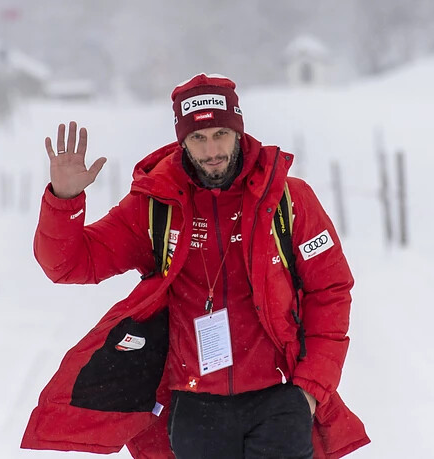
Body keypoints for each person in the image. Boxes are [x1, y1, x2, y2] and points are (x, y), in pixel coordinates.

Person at [21, 73, 369, 459]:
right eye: (197, 138)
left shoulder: (290, 200)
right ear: (182, 141)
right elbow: (69, 264)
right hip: (195, 409)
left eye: (220, 133)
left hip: (280, 400)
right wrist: (64, 200)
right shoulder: (155, 205)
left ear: (238, 130)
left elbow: (331, 291)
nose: (211, 150)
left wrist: (309, 391)